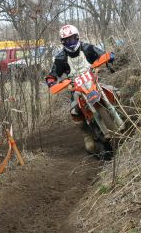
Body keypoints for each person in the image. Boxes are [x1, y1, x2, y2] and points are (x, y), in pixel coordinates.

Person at [45, 24, 115, 153]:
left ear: (77, 37)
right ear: (63, 42)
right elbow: (51, 76)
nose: (70, 42)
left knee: (113, 91)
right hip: (77, 89)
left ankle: (121, 113)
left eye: (72, 39)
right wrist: (52, 83)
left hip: (93, 82)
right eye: (67, 40)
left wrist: (108, 58)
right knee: (74, 111)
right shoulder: (60, 58)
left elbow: (102, 55)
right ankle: (87, 135)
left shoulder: (88, 48)